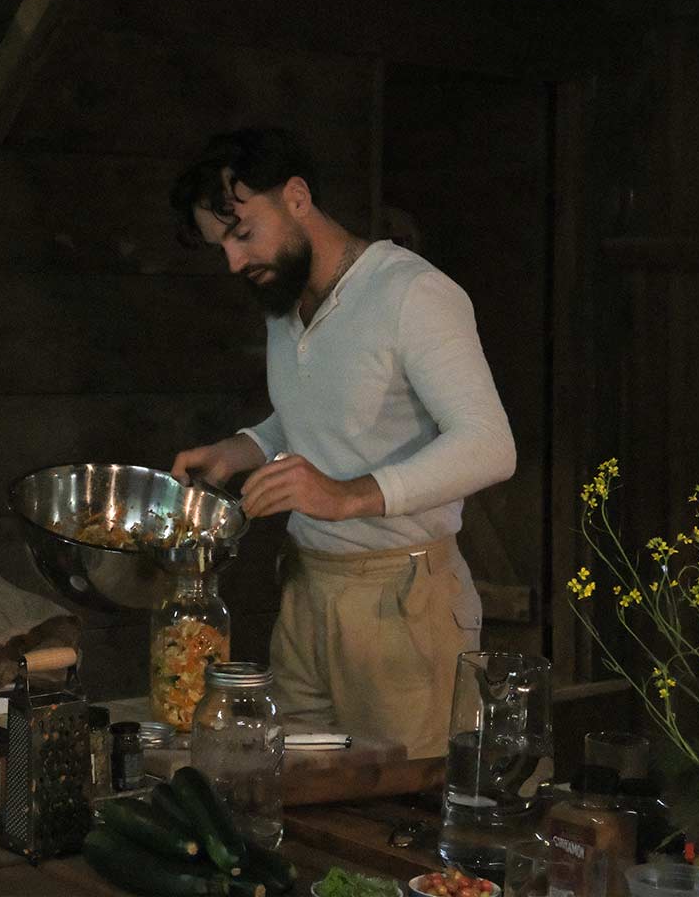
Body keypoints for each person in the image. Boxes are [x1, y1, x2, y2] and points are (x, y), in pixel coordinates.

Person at [168, 127, 516, 758]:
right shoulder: (285, 298)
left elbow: (490, 444)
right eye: (223, 246)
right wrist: (243, 449)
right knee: (296, 791)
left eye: (243, 234)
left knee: (402, 804)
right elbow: (320, 411)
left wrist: (348, 496)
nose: (235, 263)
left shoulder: (412, 294)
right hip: (306, 591)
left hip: (403, 603)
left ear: (297, 197)